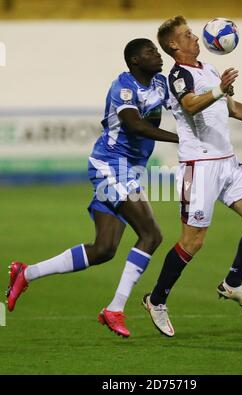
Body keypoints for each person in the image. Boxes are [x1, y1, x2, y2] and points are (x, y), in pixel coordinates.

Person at [6, 38, 178, 338]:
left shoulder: (160, 83)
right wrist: (181, 140)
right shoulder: (123, 87)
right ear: (135, 61)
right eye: (150, 51)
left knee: (104, 249)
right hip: (111, 165)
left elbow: (182, 106)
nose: (157, 54)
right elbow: (136, 125)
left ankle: (26, 272)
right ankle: (115, 308)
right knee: (151, 235)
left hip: (129, 170)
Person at [142, 16, 242, 337]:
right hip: (199, 168)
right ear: (173, 44)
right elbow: (191, 105)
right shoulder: (178, 76)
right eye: (188, 35)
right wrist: (217, 89)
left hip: (228, 163)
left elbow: (233, 108)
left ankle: (232, 283)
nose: (195, 38)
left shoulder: (208, 69)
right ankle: (156, 300)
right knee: (193, 242)